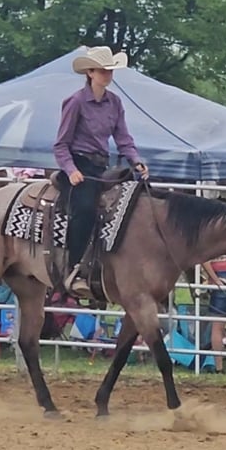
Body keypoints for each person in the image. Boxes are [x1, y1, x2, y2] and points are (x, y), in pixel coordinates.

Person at [53, 46, 149, 297]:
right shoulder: (75, 103)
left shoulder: (115, 103)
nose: (107, 75)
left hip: (100, 167)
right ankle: (73, 269)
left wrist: (136, 161)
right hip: (79, 165)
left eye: (110, 70)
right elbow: (61, 144)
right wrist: (71, 170)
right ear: (90, 73)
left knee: (129, 203)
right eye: (103, 71)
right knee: (84, 209)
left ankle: (115, 266)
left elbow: (123, 138)